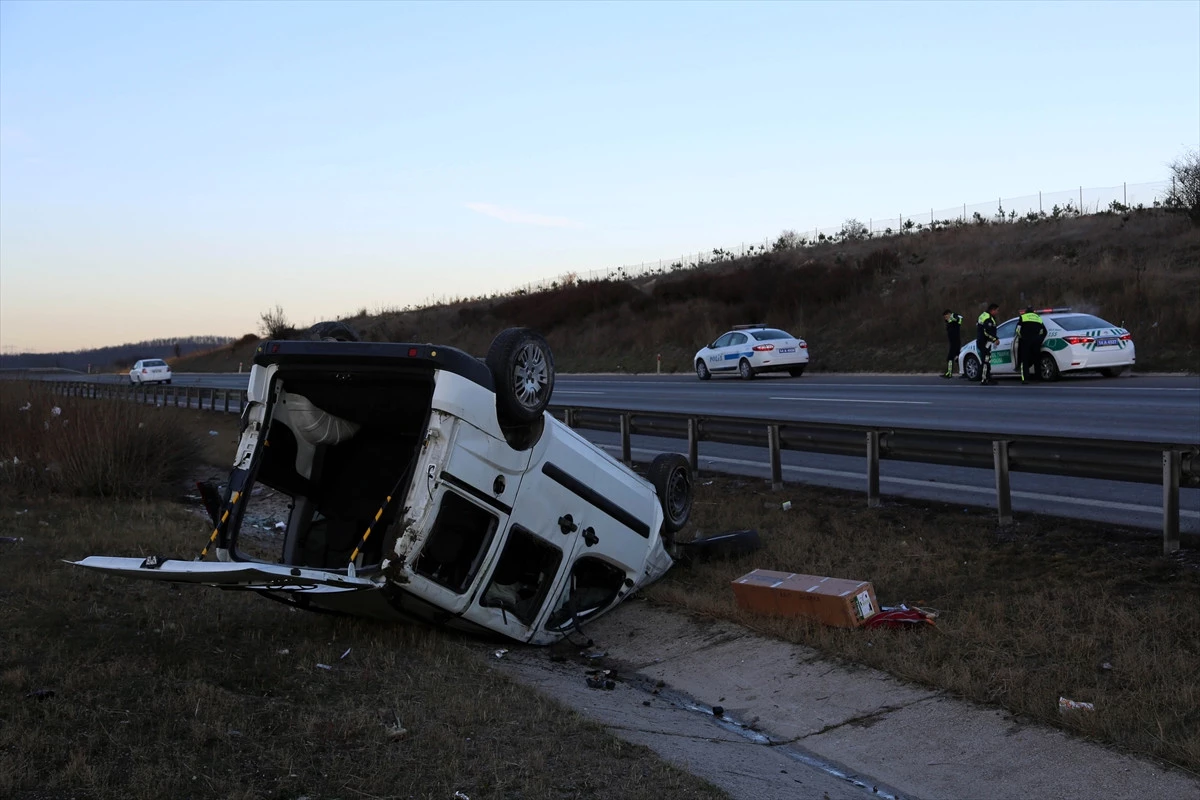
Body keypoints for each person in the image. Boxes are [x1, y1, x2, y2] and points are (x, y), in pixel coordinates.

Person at [1015, 306, 1047, 382]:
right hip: (1036, 342)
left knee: (1024, 360)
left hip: (1025, 341)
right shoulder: (1038, 318)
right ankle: (1038, 378)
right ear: (1033, 312)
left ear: (1026, 311)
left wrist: (1021, 338)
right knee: (1036, 360)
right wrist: (1039, 339)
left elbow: (1017, 330)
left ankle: (1025, 379)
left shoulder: (1023, 317)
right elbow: (1044, 331)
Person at [976, 303, 1000, 385]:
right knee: (985, 360)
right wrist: (995, 339)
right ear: (992, 310)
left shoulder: (983, 315)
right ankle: (984, 379)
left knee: (987, 359)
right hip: (984, 342)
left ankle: (988, 377)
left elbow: (978, 326)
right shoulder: (988, 318)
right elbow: (986, 332)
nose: (997, 312)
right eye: (996, 310)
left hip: (983, 341)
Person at [941, 309, 964, 378]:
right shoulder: (949, 321)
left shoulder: (954, 317)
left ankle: (949, 373)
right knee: (957, 358)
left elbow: (960, 318)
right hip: (953, 342)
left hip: (955, 342)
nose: (945, 318)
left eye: (946, 316)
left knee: (950, 357)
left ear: (949, 314)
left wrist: (952, 317)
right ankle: (964, 372)